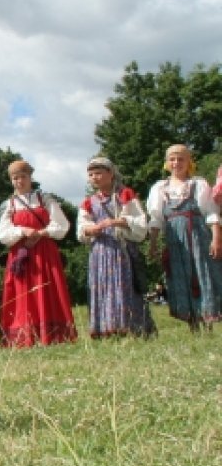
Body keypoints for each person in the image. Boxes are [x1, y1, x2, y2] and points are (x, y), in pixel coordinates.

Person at [0, 160, 77, 347]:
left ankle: (53, 335)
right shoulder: (9, 204)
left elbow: (62, 225)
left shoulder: (44, 199)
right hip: (21, 253)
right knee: (22, 293)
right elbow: (3, 234)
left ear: (30, 177)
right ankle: (24, 337)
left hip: (44, 252)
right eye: (15, 178)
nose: (19, 181)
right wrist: (22, 231)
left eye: (22, 177)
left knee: (47, 289)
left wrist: (41, 233)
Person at [146, 144, 222, 331]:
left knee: (202, 274)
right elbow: (156, 219)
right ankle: (192, 323)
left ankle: (207, 321)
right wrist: (153, 244)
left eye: (181, 159)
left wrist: (216, 238)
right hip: (174, 241)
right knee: (180, 276)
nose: (176, 163)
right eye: (172, 159)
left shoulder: (198, 184)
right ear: (166, 162)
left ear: (189, 162)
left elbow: (211, 213)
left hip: (198, 236)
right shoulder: (160, 188)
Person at [77, 157, 155, 338]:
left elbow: (140, 223)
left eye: (98, 173)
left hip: (122, 249)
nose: (94, 177)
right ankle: (105, 329)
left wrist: (117, 221)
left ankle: (132, 327)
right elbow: (81, 227)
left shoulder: (125, 194)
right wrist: (91, 229)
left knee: (124, 286)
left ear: (110, 174)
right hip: (100, 251)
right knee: (102, 287)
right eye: (91, 174)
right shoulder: (89, 201)